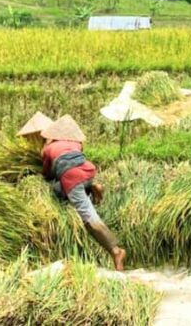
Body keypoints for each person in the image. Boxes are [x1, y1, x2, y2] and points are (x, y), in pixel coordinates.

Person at [40, 115, 126, 271]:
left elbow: (46, 174)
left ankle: (116, 251)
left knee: (88, 218)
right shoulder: (75, 143)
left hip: (72, 177)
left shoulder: (47, 149)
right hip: (88, 170)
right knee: (57, 189)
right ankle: (92, 186)